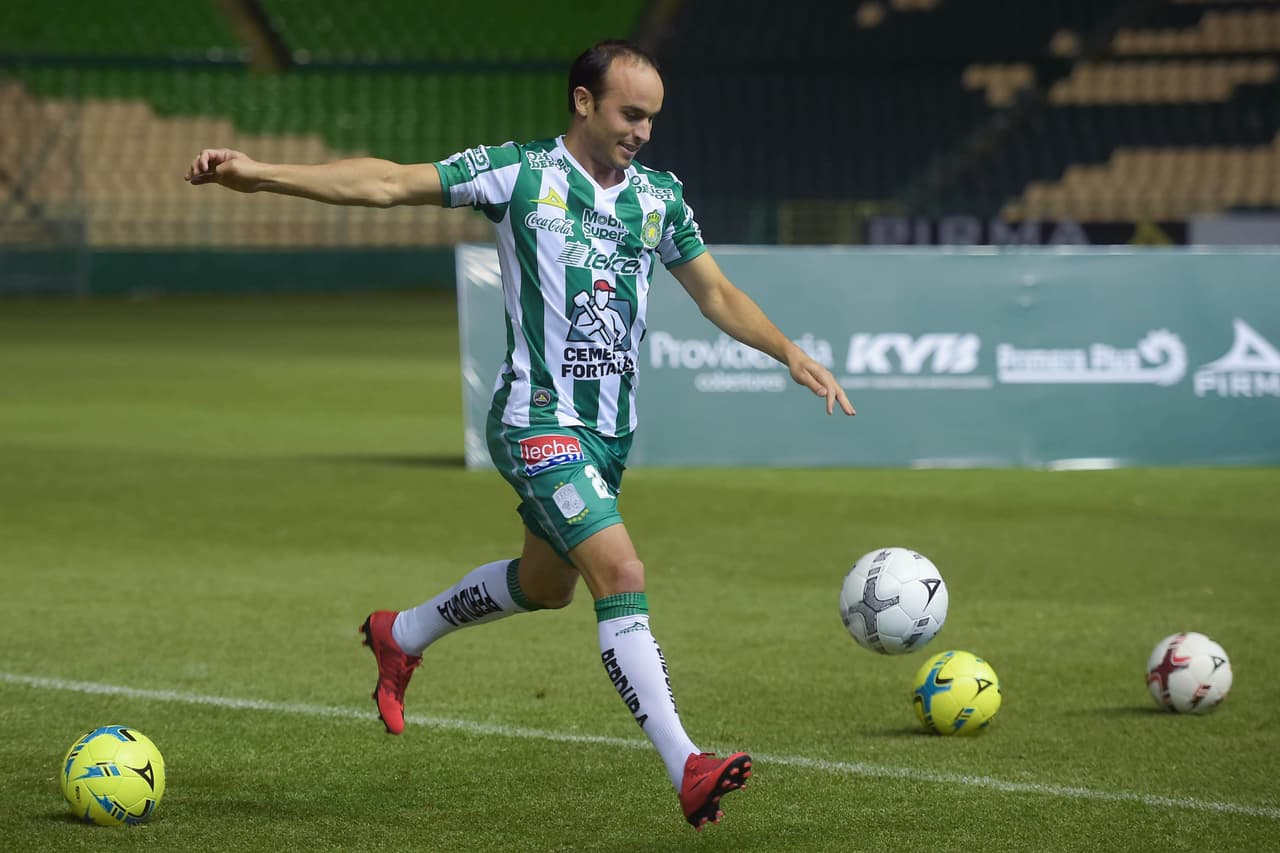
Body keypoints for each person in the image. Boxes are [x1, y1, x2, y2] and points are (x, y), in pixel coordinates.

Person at [184, 39, 855, 830]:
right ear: (583, 102)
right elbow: (390, 182)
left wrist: (789, 351)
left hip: (608, 437)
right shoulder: (519, 172)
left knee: (547, 585)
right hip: (536, 418)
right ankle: (688, 765)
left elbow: (714, 292)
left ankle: (399, 634)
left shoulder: (658, 198)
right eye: (629, 113)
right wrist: (260, 172)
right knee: (620, 568)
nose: (642, 131)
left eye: (652, 118)